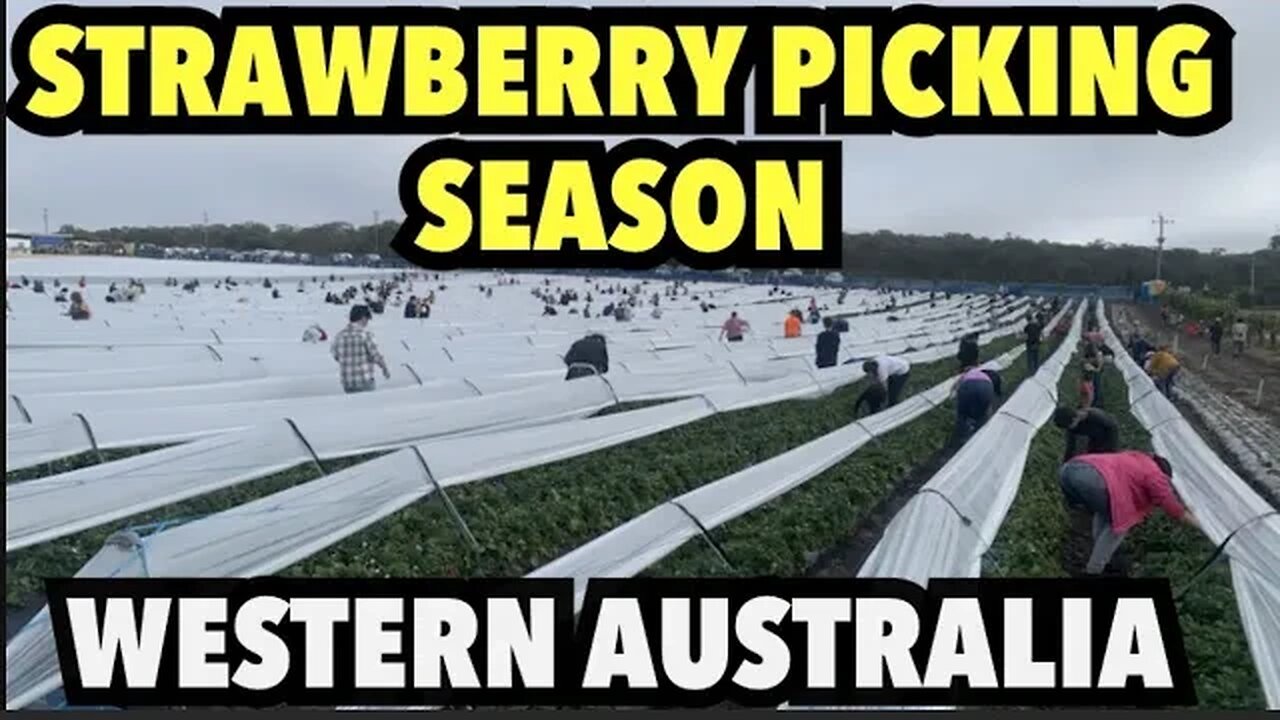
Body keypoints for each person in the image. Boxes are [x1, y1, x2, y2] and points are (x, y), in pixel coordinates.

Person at [1058, 451, 1198, 574]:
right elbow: (1171, 506)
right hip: (1093, 480)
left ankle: (1099, 556)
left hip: (1069, 470)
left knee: (1107, 513)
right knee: (1118, 527)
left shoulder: (1137, 458)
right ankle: (1094, 570)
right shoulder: (1155, 474)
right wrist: (1198, 524)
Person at [331, 305, 390, 393]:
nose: (367, 322)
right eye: (367, 319)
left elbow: (335, 355)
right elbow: (375, 355)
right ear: (363, 318)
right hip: (364, 379)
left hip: (347, 382)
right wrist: (384, 368)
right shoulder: (365, 334)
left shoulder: (339, 335)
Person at [947, 365, 1002, 448]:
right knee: (982, 415)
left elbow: (954, 389)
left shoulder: (966, 375)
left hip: (967, 386)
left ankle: (962, 438)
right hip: (986, 387)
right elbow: (995, 395)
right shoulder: (987, 376)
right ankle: (980, 436)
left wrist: (954, 400)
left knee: (963, 415)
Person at [1054, 406, 1120, 462]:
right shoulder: (1072, 428)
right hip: (1093, 443)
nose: (1069, 429)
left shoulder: (1095, 416)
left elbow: (1112, 426)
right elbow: (1070, 447)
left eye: (1069, 426)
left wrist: (1111, 452)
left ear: (1074, 419)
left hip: (1108, 438)